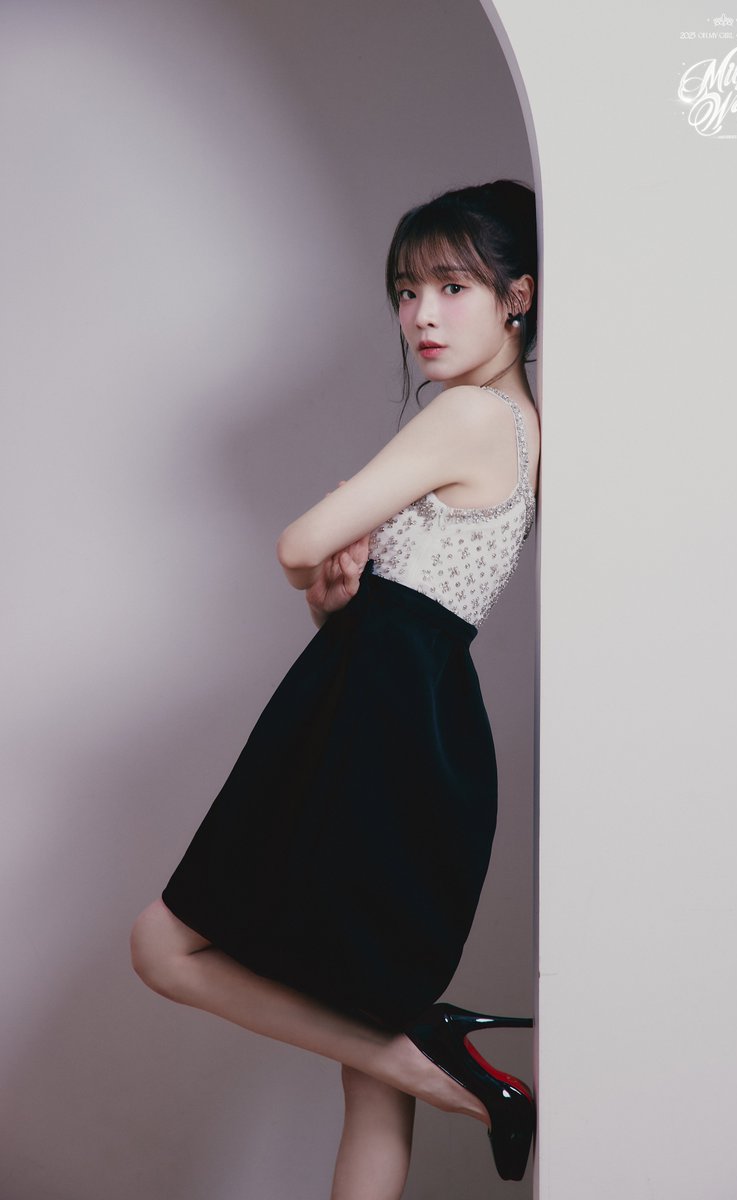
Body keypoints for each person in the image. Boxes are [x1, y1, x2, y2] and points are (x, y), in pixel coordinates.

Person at [130, 178, 541, 1196]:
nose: (421, 315)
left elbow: (296, 542)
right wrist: (331, 595)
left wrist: (323, 537)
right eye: (406, 290)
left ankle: (443, 1065)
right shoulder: (525, 424)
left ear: (517, 297)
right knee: (367, 1072)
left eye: (452, 286)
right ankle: (421, 1054)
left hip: (370, 727)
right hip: (402, 712)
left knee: (162, 949)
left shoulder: (470, 416)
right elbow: (374, 595)